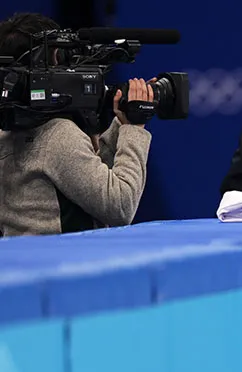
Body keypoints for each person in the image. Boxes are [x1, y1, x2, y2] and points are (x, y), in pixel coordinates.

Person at [0, 13, 155, 236]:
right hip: (65, 258)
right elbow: (120, 206)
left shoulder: (7, 133)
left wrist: (121, 124)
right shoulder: (57, 136)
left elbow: (84, 179)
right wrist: (134, 128)